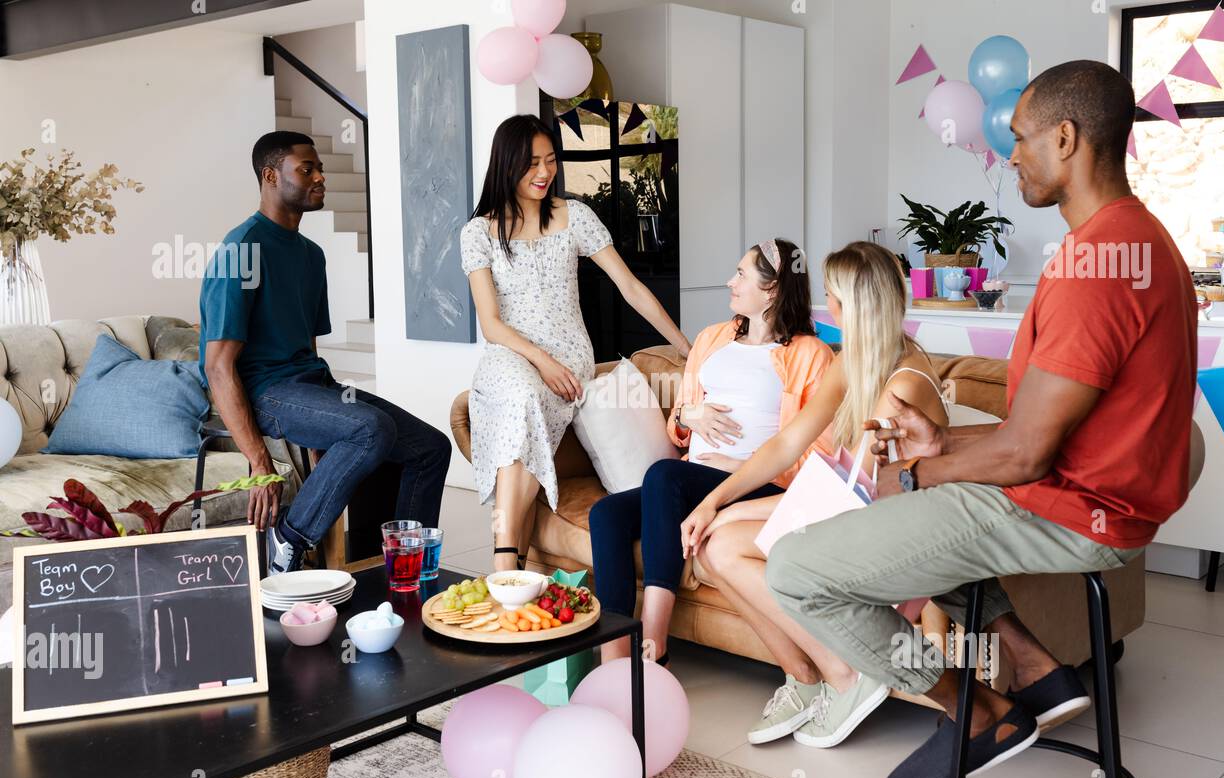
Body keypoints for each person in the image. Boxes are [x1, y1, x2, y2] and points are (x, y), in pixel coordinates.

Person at [762, 61, 1197, 778]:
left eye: (1020, 138)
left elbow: (1025, 452)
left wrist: (922, 469)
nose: (1011, 154)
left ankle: (975, 712)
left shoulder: (1096, 267)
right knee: (916, 493)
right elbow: (1042, 431)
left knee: (796, 571)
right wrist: (943, 442)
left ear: (1066, 138)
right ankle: (1033, 666)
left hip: (1074, 515)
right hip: (1093, 497)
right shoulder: (1142, 239)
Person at [679, 241, 947, 748]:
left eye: (831, 297)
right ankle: (803, 678)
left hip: (888, 535)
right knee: (713, 545)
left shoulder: (902, 381)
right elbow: (788, 445)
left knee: (722, 547)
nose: (825, 307)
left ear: (854, 304)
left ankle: (845, 674)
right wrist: (714, 504)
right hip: (851, 513)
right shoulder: (857, 361)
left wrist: (731, 510)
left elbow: (854, 498)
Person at [200, 131, 453, 574]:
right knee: (371, 428)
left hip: (311, 388)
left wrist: (325, 424)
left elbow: (308, 349)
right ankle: (288, 540)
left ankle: (401, 568)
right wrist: (261, 463)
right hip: (265, 392)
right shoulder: (240, 250)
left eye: (321, 169)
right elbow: (218, 367)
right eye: (307, 169)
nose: (320, 178)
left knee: (430, 447)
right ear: (270, 176)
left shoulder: (310, 255)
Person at [461, 115, 691, 573]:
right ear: (505, 166)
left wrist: (686, 345)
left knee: (523, 418)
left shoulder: (574, 216)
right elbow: (491, 324)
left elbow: (630, 287)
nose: (544, 173)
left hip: (570, 360)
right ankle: (511, 568)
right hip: (511, 357)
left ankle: (505, 571)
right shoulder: (477, 233)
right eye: (531, 164)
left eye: (550, 161)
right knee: (522, 403)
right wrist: (540, 361)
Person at [590, 238, 834, 666]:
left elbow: (820, 454)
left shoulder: (810, 355)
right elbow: (678, 423)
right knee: (606, 514)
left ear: (772, 289)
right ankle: (613, 657)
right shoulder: (712, 339)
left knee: (664, 475)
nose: (730, 282)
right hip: (692, 479)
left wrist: (742, 466)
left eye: (740, 274)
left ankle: (653, 642)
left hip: (756, 485)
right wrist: (689, 416)